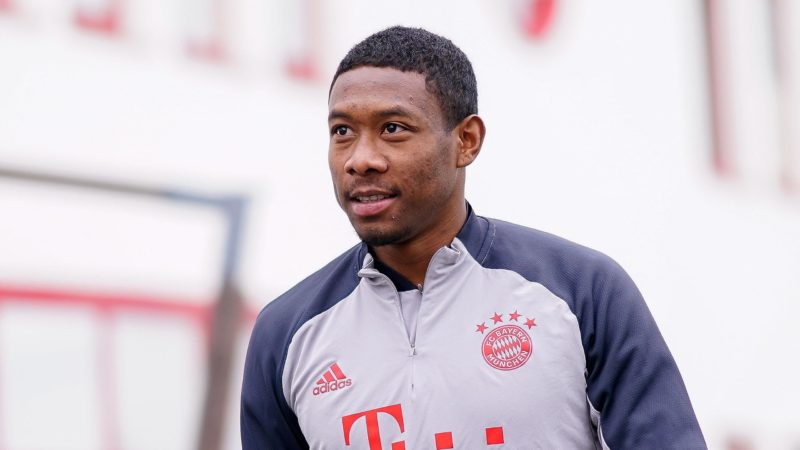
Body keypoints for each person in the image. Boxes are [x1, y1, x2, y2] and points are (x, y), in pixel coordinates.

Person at [241, 26, 706, 449]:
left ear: (466, 141)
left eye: (393, 129)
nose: (361, 159)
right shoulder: (286, 333)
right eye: (342, 131)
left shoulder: (580, 290)